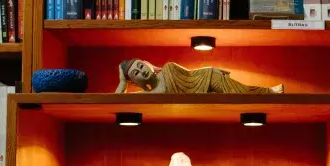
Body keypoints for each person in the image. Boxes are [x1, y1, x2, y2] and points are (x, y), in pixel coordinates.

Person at [115, 59, 283, 94]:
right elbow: (118, 103)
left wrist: (211, 68)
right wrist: (123, 82)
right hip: (200, 94)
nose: (142, 70)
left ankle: (267, 93)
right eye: (136, 73)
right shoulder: (145, 96)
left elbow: (191, 74)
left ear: (148, 64)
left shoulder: (168, 68)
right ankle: (267, 93)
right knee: (234, 92)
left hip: (206, 79)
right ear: (134, 83)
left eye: (141, 65)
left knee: (238, 91)